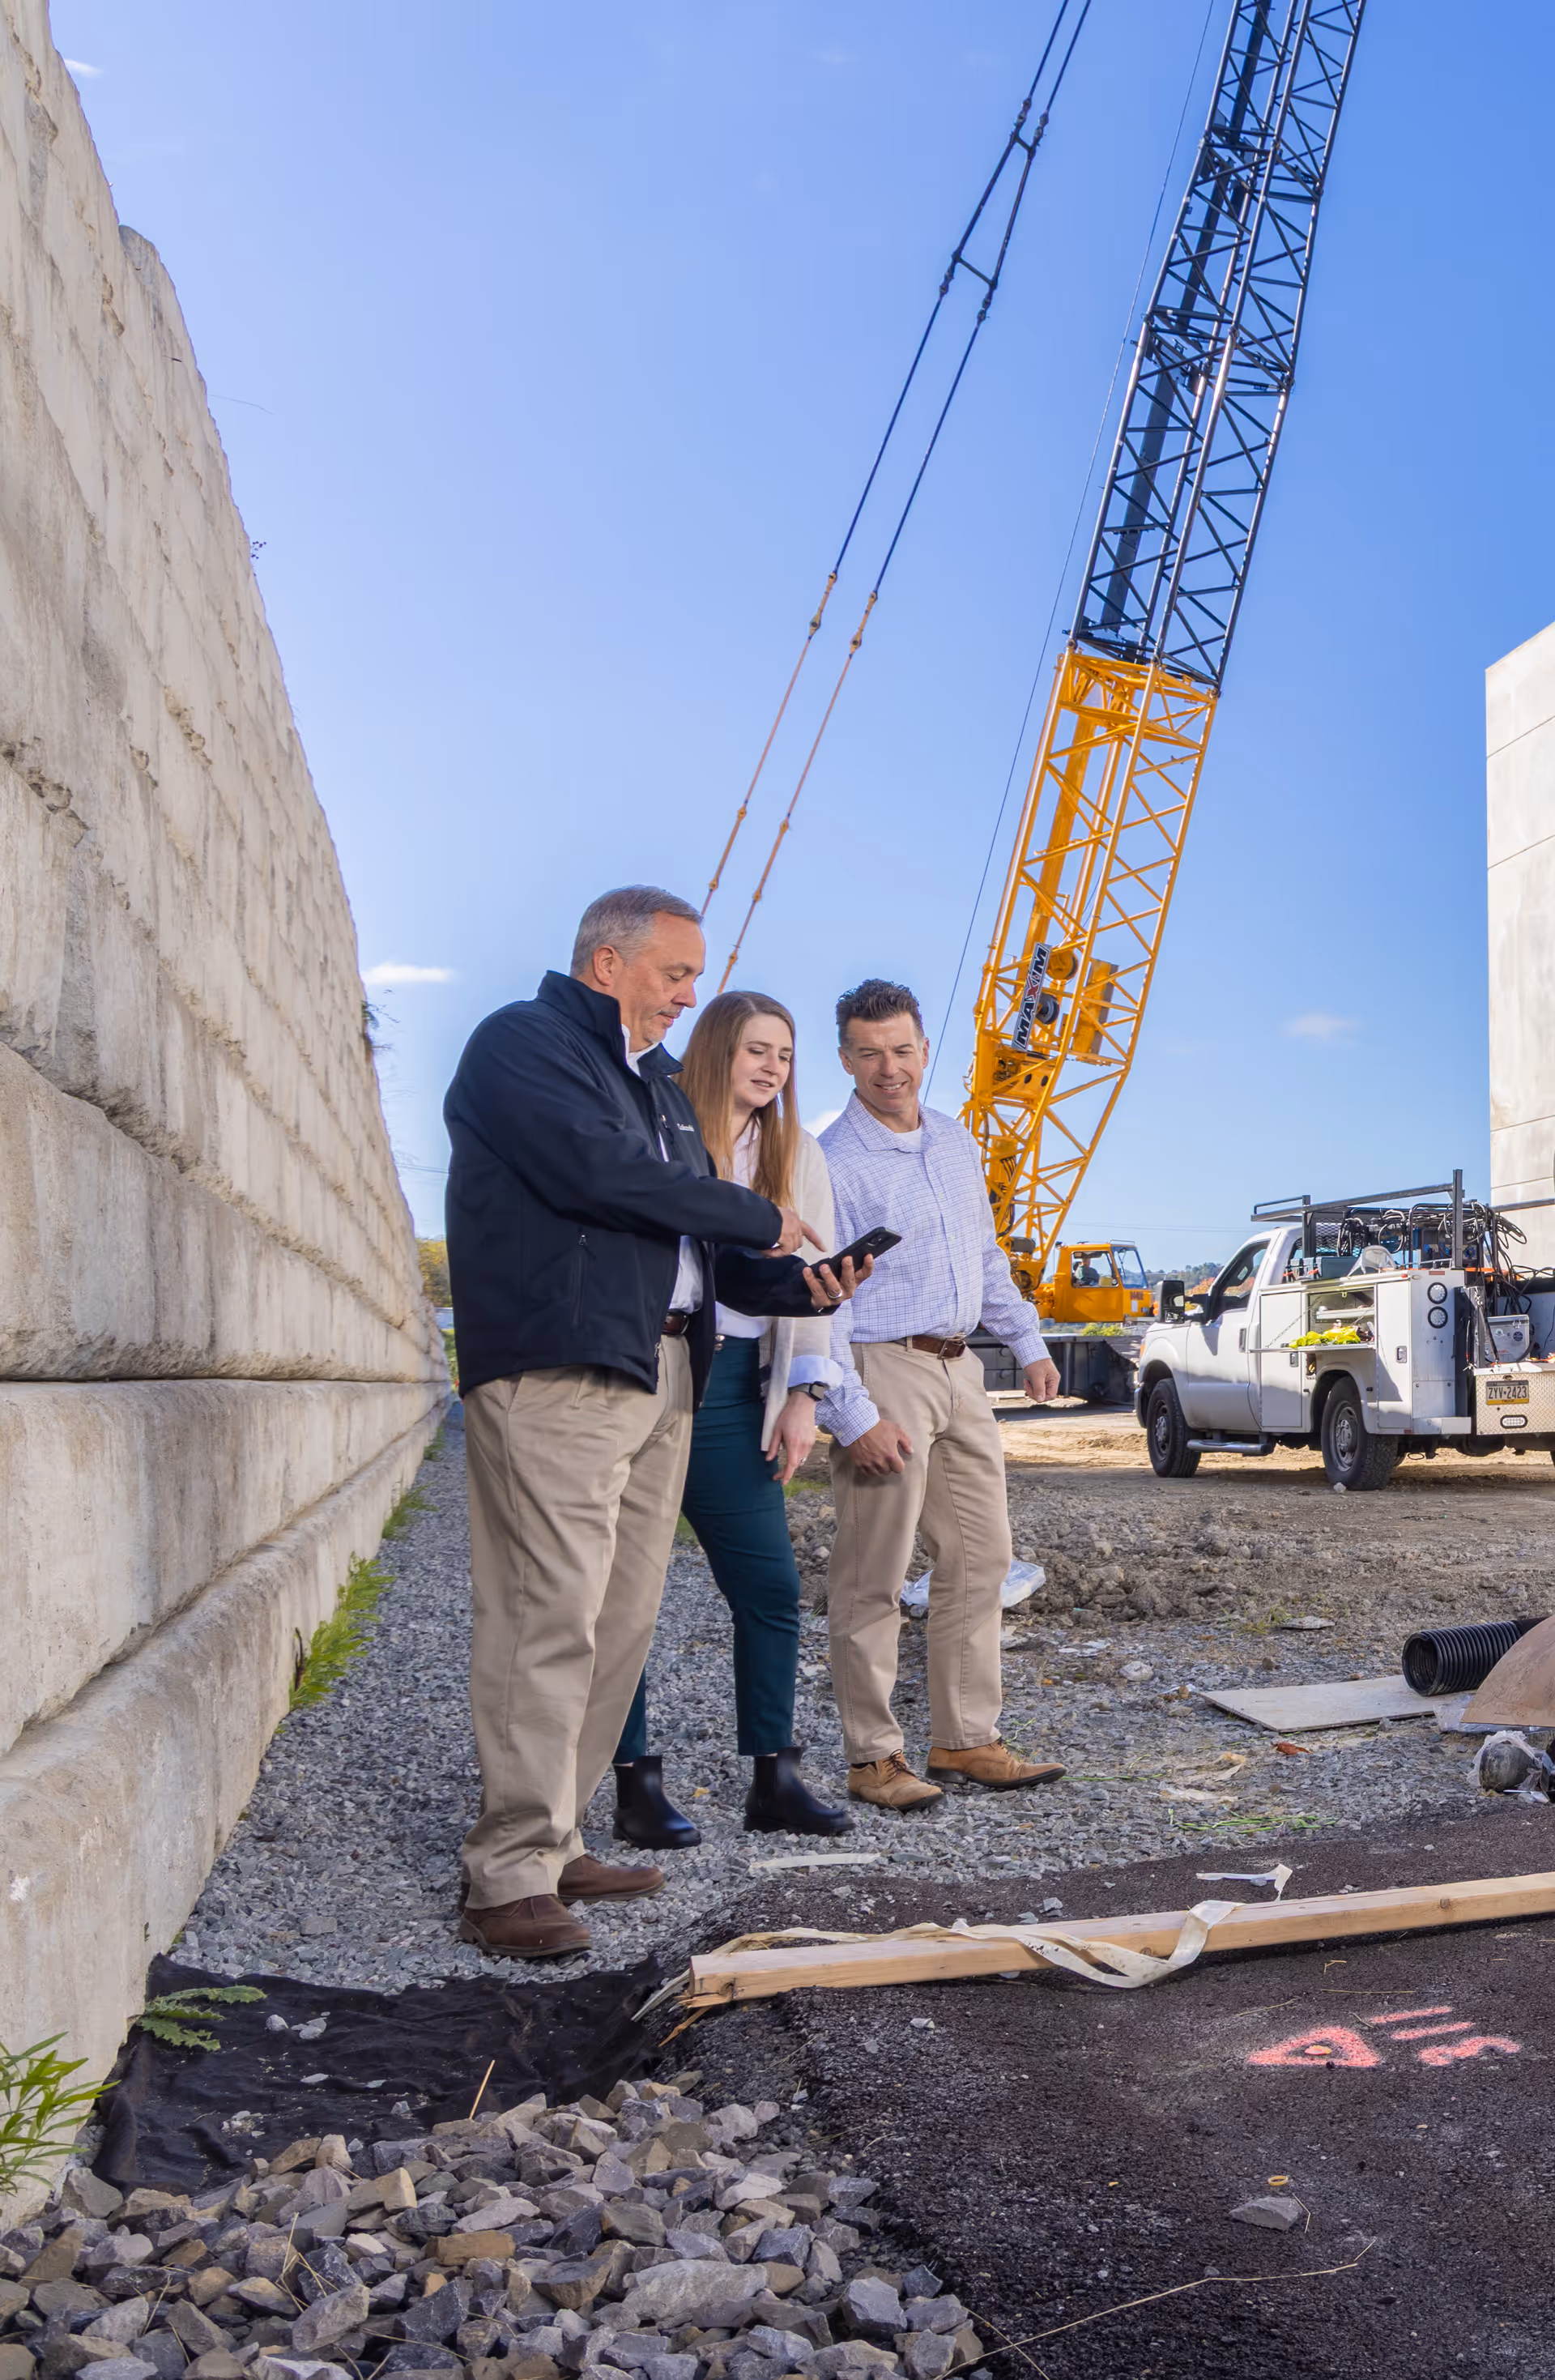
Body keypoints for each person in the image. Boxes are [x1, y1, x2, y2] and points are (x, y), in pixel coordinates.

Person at [443, 887, 860, 1959]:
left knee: (621, 1622)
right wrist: (758, 1211)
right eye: (675, 972)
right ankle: (505, 1871)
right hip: (564, 1366)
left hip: (668, 1366)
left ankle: (558, 1836)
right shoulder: (524, 1045)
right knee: (550, 1614)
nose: (690, 993)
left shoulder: (662, 1091)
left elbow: (704, 1258)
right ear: (606, 963)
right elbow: (601, 1177)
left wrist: (796, 1288)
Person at [816, 977, 1067, 1812]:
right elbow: (816, 1299)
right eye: (869, 1052)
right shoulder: (830, 1160)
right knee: (873, 1571)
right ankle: (872, 1756)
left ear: (925, 1049)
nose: (889, 1068)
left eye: (902, 1049)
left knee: (983, 1557)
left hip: (964, 1369)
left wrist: (1027, 1343)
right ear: (845, 1057)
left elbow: (988, 1259)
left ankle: (965, 1738)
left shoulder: (955, 1142)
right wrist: (849, 1411)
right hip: (883, 1365)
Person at [612, 992, 853, 1846]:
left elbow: (816, 1286)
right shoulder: (660, 1125)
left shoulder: (798, 1150)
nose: (773, 1068)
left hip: (735, 1392)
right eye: (757, 1050)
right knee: (625, 1590)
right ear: (715, 1050)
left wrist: (803, 1397)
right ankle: (633, 1780)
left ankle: (775, 1777)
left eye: (785, 1055)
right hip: (654, 1368)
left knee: (770, 1587)